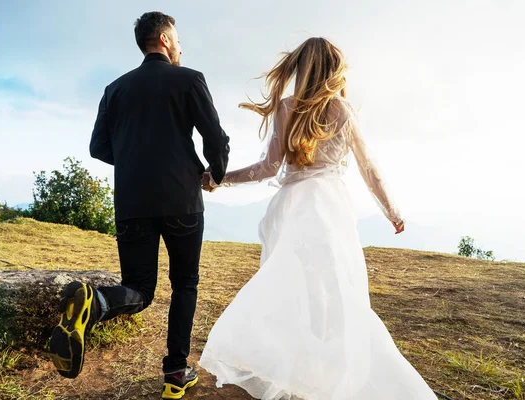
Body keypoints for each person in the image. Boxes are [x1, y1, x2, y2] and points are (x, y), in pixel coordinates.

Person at [199, 37, 437, 399]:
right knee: (333, 291)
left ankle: (298, 368)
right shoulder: (342, 110)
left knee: (293, 288)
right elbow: (368, 168)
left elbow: (266, 168)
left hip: (291, 207)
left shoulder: (286, 107)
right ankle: (328, 370)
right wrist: (393, 212)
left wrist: (221, 178)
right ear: (332, 68)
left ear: (301, 67)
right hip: (329, 207)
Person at [47, 11, 230, 400]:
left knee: (139, 289)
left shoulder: (115, 89)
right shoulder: (190, 79)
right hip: (181, 198)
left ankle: (96, 303)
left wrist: (135, 160)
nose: (181, 46)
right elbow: (216, 137)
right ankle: (177, 372)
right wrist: (214, 174)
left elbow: (99, 148)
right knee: (185, 284)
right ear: (164, 39)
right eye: (178, 39)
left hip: (131, 201)